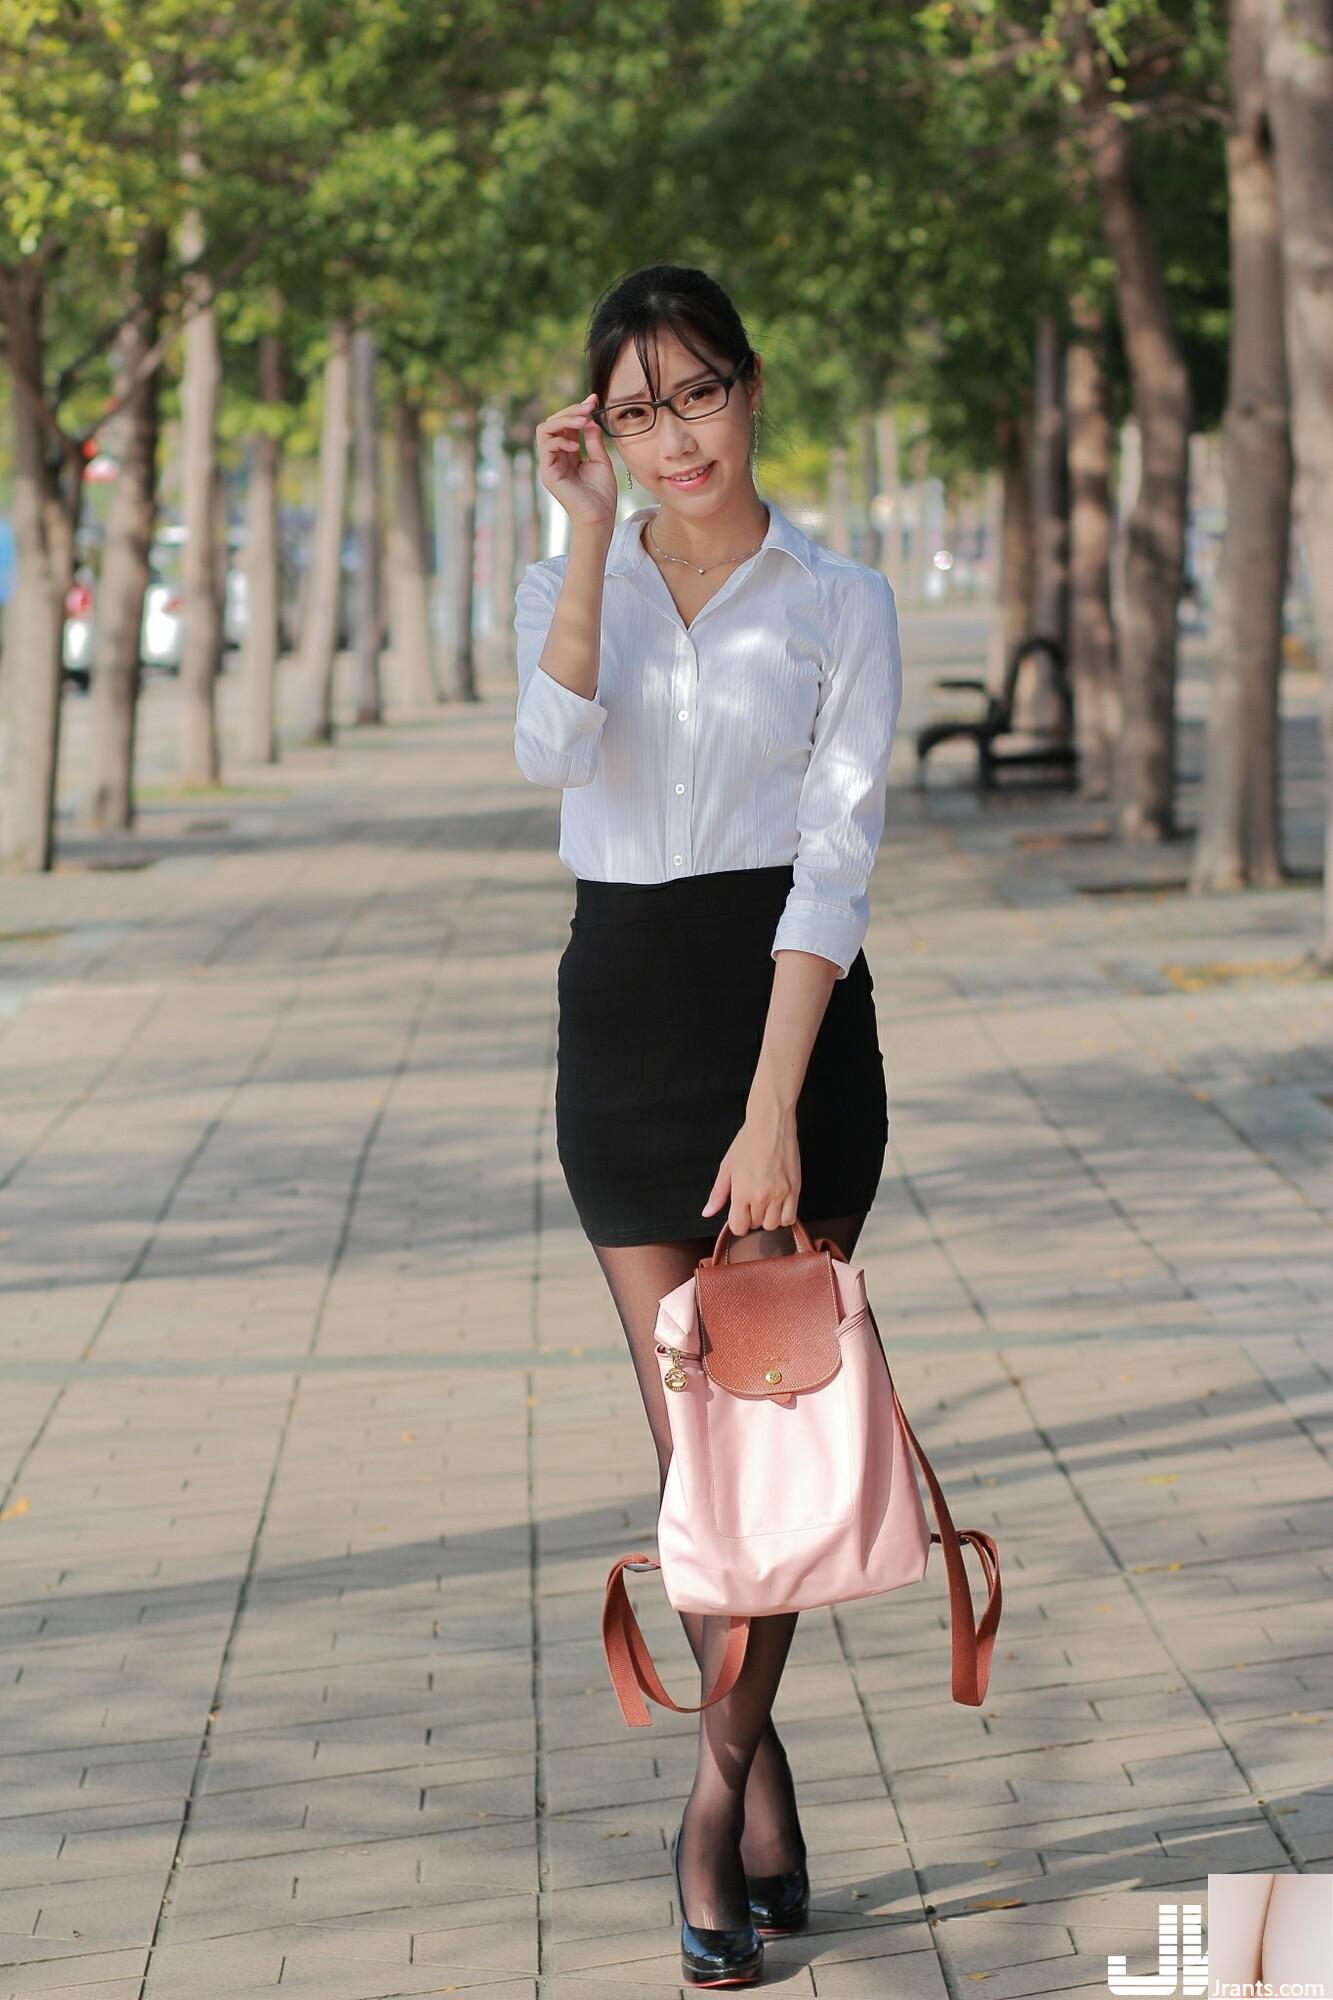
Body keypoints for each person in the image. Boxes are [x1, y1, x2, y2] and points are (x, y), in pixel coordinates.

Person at [512, 262, 903, 1989]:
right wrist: (586, 537)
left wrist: (770, 1115)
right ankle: (762, 1793)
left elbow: (836, 860)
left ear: (751, 389)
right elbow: (546, 751)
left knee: (766, 1453)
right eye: (635, 406)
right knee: (699, 1471)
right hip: (620, 1022)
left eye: (697, 394)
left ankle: (713, 1795)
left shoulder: (840, 598)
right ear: (602, 427)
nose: (676, 436)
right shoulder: (560, 572)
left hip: (788, 1035)